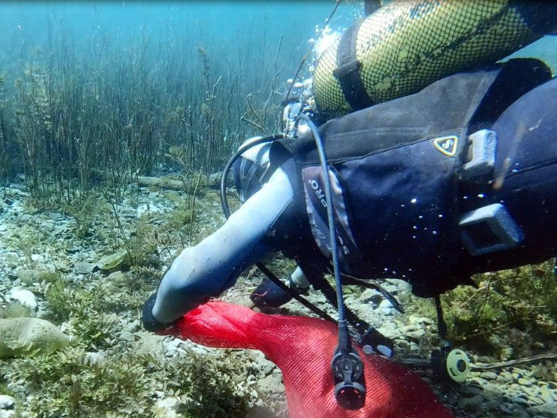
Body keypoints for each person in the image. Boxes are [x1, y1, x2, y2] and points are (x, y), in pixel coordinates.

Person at [142, 57, 557, 336]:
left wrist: (156, 316)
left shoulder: (292, 174)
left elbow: (190, 275)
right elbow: (335, 214)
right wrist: (290, 285)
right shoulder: (320, 175)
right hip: (518, 172)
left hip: (519, 171)